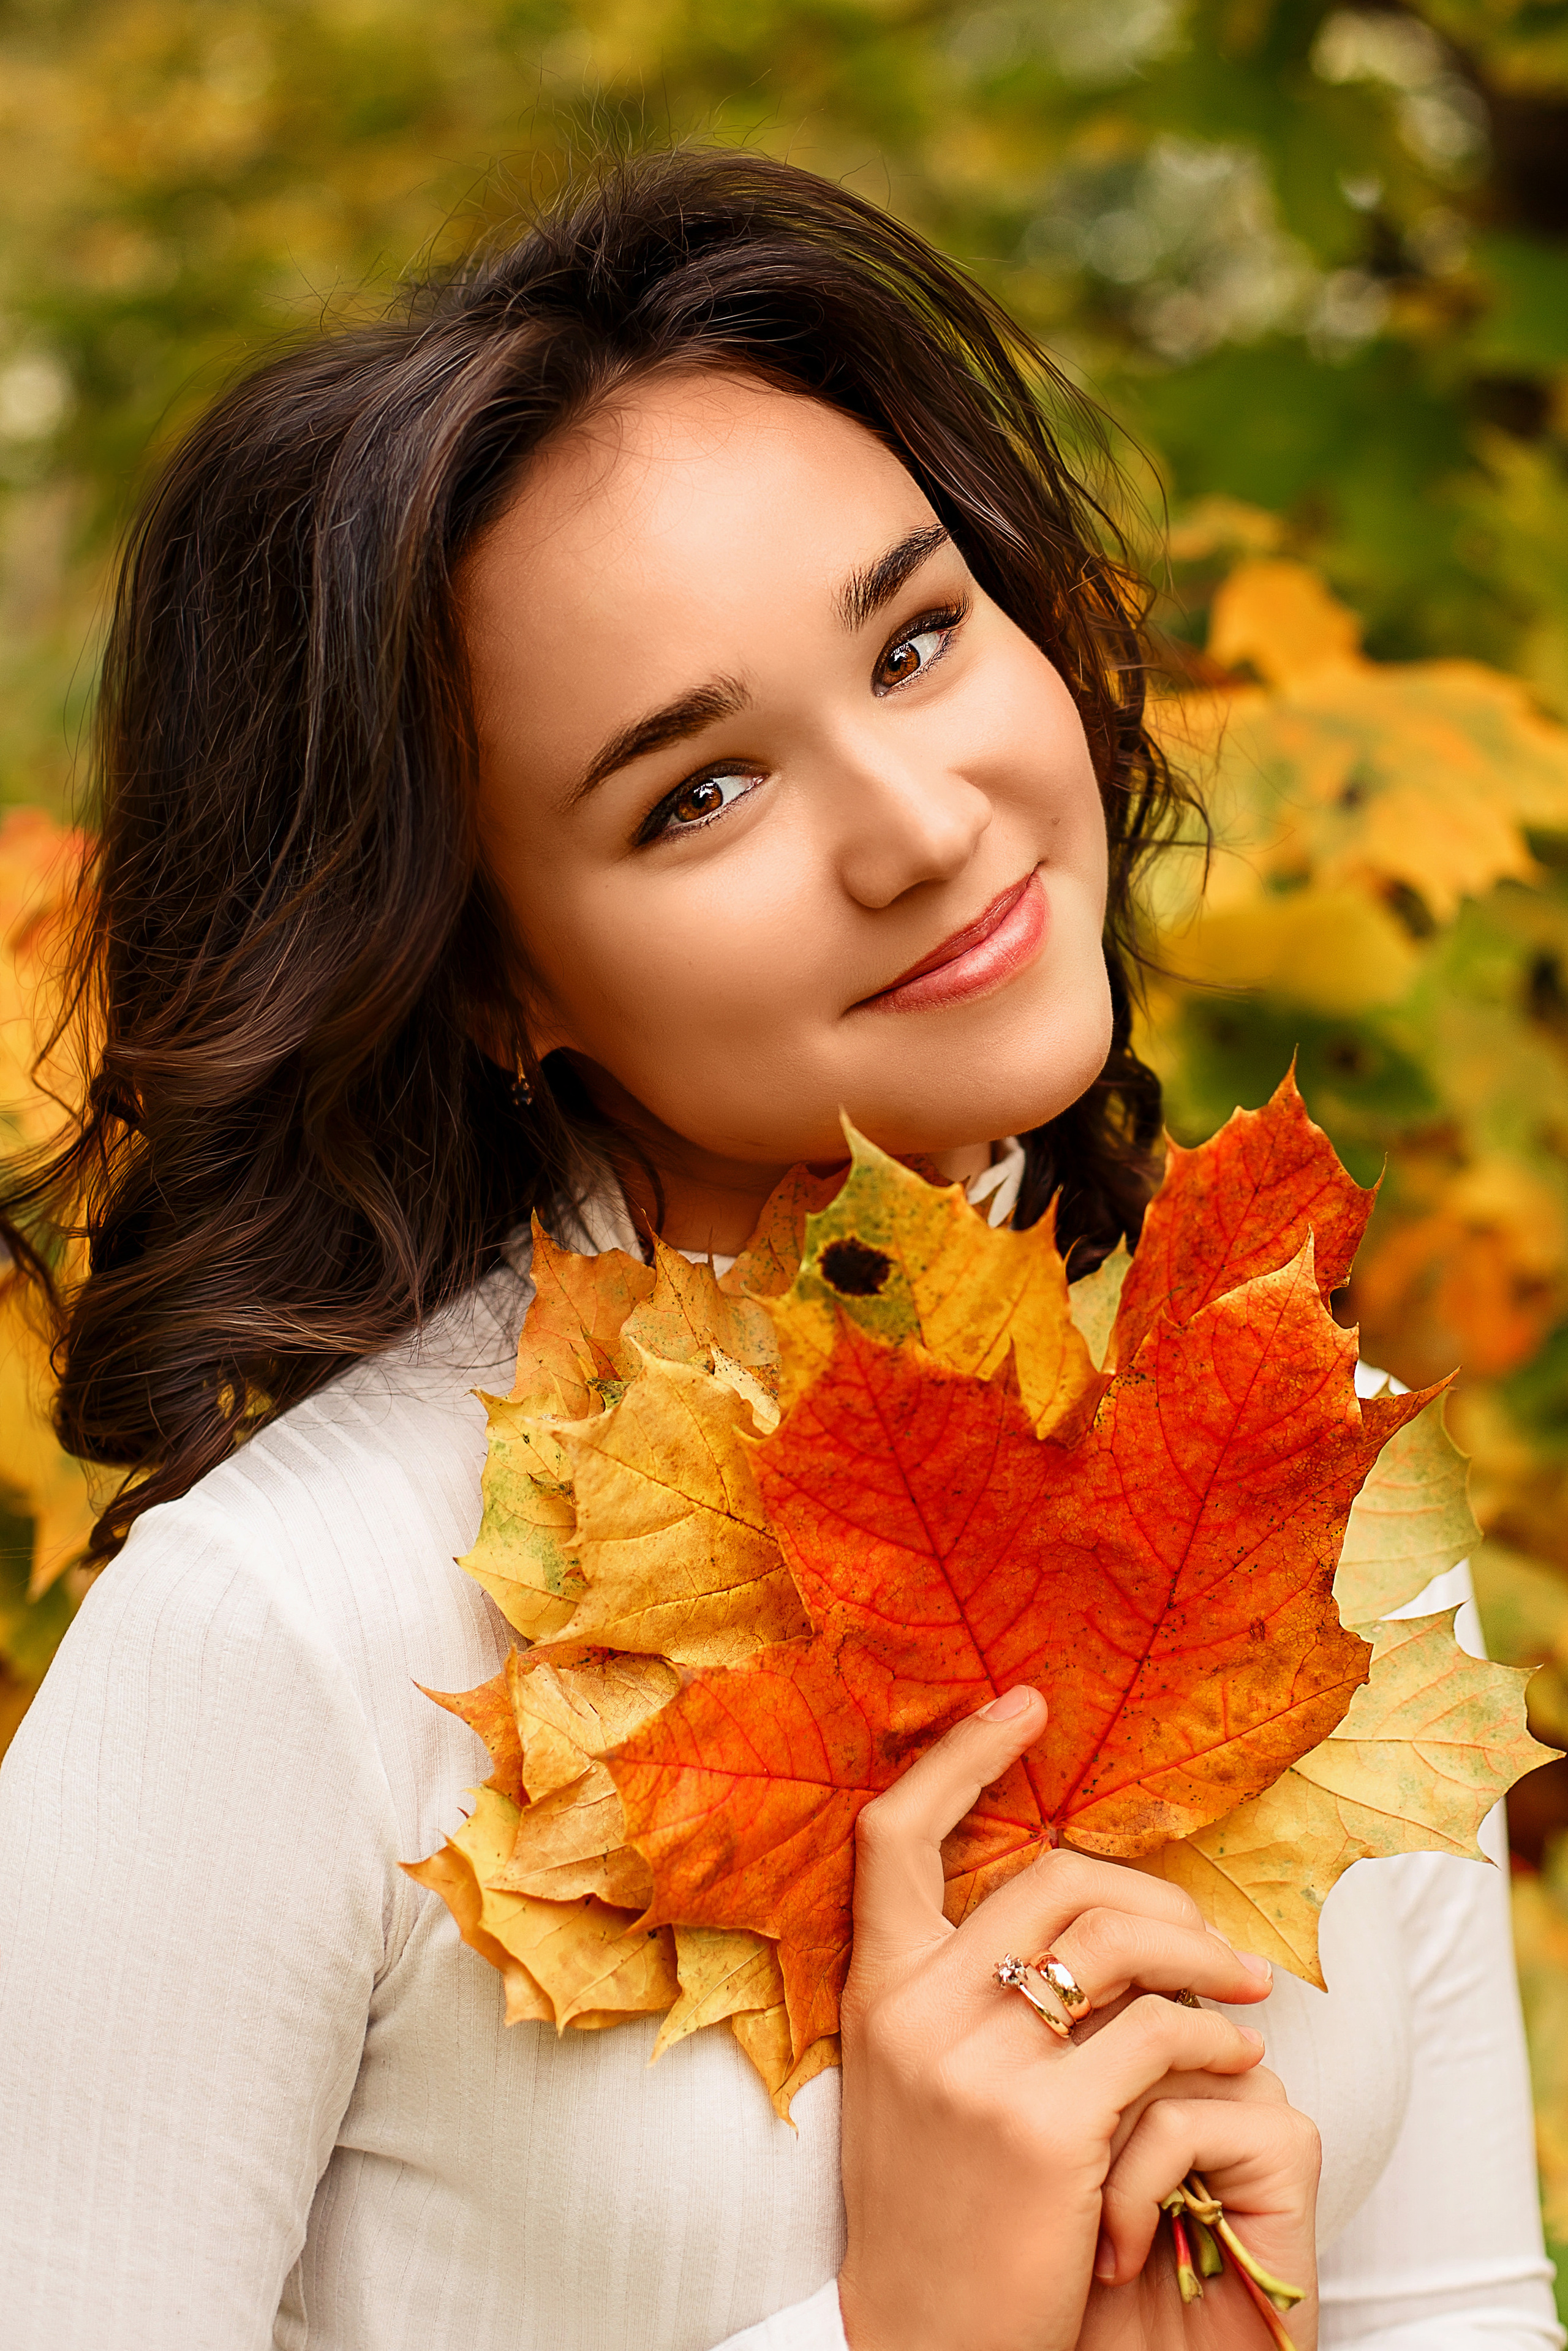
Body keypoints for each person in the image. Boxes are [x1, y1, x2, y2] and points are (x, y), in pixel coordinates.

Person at [0, 148, 1555, 2351]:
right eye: (696, 793)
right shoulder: (290, 1637)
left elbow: (1452, 2314)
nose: (921, 824)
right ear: (488, 975)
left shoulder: (1295, 1463)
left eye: (917, 641)